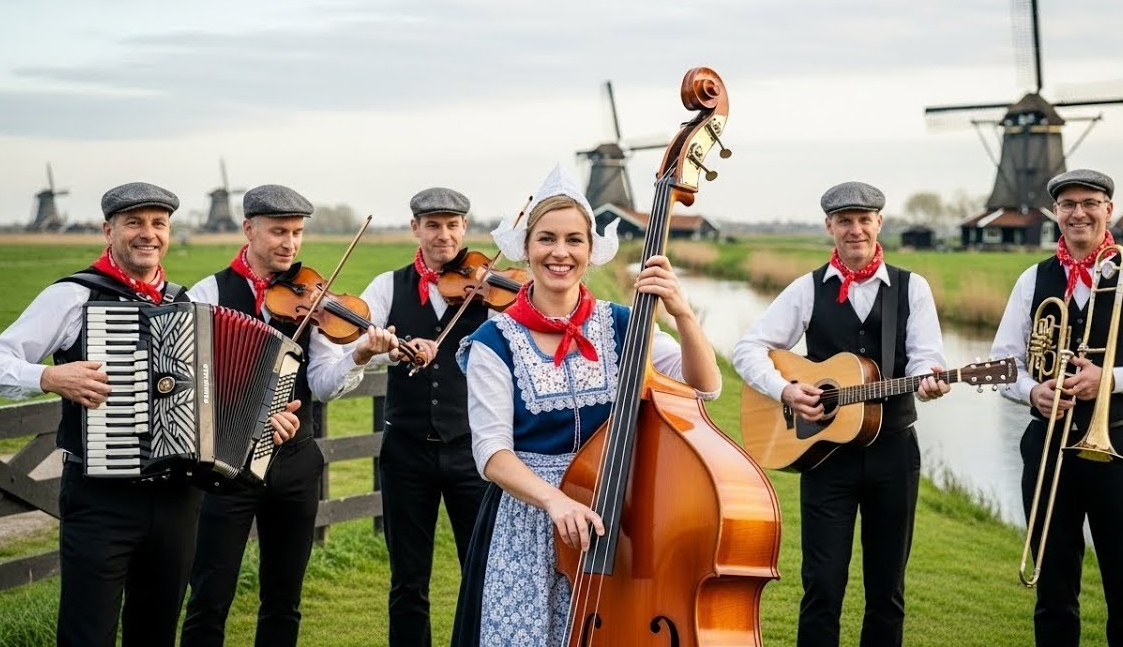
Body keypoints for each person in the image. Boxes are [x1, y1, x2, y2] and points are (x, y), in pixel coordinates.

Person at [0, 182, 299, 647]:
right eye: (134, 223)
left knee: (156, 633)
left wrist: (269, 423)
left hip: (178, 501)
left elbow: (226, 401)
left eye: (158, 224)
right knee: (88, 633)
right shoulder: (74, 296)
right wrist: (48, 378)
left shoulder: (188, 306)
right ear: (109, 231)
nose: (149, 234)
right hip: (101, 500)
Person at [448, 164, 722, 646]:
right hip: (531, 519)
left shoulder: (623, 325)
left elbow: (705, 386)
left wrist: (681, 312)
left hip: (617, 511)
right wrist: (555, 500)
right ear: (527, 248)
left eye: (574, 240)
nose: (560, 252)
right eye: (547, 239)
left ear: (591, 250)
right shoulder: (494, 342)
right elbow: (492, 454)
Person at [180, 185, 406, 647]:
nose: (290, 244)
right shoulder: (207, 292)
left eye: (297, 233)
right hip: (225, 466)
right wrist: (246, 416)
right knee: (209, 595)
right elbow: (188, 383)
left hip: (295, 462)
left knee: (284, 599)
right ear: (248, 229)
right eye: (278, 232)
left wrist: (359, 355)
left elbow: (323, 382)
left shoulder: (315, 298)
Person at [732, 181, 951, 647]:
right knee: (823, 586)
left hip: (893, 452)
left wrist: (929, 378)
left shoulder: (913, 288)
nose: (855, 230)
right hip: (825, 458)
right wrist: (785, 388)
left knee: (886, 590)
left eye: (864, 219)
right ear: (829, 226)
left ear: (879, 223)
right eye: (845, 221)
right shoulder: (807, 289)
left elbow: (925, 356)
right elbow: (748, 348)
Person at [990, 169, 1123, 647]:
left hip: (1117, 443)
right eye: (1068, 204)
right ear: (1055, 213)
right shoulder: (1033, 278)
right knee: (1054, 591)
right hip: (1047, 443)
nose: (1079, 212)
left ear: (1108, 209)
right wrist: (1029, 390)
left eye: (1090, 202)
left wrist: (1111, 378)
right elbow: (1003, 365)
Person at [355, 186, 488, 647]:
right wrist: (382, 352)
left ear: (465, 229)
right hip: (406, 452)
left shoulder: (489, 288)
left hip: (474, 452)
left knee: (484, 573)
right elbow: (350, 346)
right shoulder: (387, 286)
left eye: (453, 225)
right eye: (433, 225)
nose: (444, 235)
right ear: (416, 229)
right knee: (408, 580)